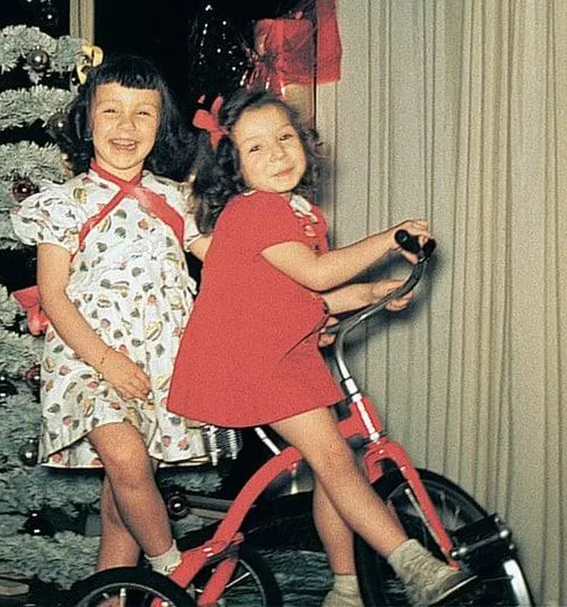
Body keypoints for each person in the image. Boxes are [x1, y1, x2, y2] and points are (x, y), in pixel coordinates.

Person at [168, 88, 476, 607]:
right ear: (236, 168)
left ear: (306, 144)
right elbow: (316, 271)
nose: (277, 154)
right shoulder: (254, 213)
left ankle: (348, 585)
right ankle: (411, 563)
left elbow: (311, 293)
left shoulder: (301, 214)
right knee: (334, 458)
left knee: (340, 466)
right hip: (253, 362)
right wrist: (387, 238)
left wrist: (377, 291)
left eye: (285, 138)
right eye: (256, 148)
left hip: (285, 354)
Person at [11, 54, 208, 579]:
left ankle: (110, 592)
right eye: (112, 111)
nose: (126, 126)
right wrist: (107, 362)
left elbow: (231, 266)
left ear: (161, 124)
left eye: (143, 114)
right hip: (89, 360)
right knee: (124, 457)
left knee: (123, 507)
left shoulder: (177, 199)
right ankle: (174, 570)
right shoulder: (65, 202)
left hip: (159, 366)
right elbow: (53, 297)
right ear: (87, 119)